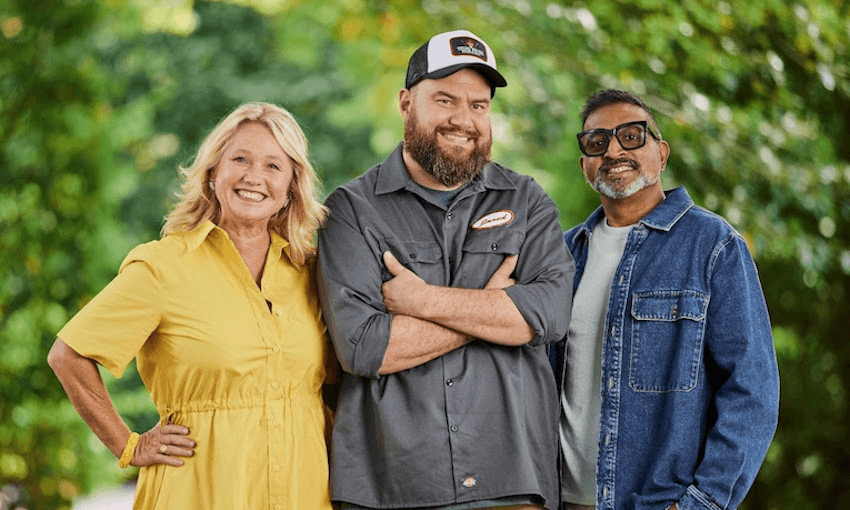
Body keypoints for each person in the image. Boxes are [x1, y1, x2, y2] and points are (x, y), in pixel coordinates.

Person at [317, 30, 574, 510]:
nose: (464, 119)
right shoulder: (351, 211)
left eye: (479, 105)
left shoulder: (527, 201)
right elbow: (365, 347)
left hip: (512, 484)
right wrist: (494, 310)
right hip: (392, 486)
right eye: (445, 100)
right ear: (405, 102)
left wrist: (424, 301)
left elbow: (549, 316)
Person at [47, 102, 337, 509]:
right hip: (197, 493)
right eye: (240, 159)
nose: (255, 177)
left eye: (274, 166)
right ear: (213, 171)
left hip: (304, 494)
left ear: (291, 185)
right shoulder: (163, 266)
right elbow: (69, 354)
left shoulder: (310, 272)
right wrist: (128, 445)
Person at [552, 89, 780, 510]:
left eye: (632, 135)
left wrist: (703, 502)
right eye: (597, 142)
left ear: (662, 153)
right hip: (560, 501)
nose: (614, 149)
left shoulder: (714, 246)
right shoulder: (563, 257)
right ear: (584, 163)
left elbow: (753, 394)